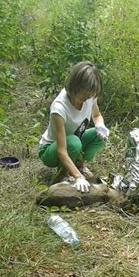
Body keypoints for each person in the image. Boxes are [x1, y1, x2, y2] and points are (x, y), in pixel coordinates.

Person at [38, 61, 109, 192]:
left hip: (73, 141)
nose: (88, 97)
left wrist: (100, 125)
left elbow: (97, 115)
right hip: (51, 149)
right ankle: (62, 175)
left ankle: (79, 164)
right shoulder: (59, 108)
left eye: (91, 94)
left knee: (98, 137)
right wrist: (78, 177)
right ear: (75, 86)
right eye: (85, 93)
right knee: (74, 142)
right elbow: (61, 150)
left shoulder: (90, 97)